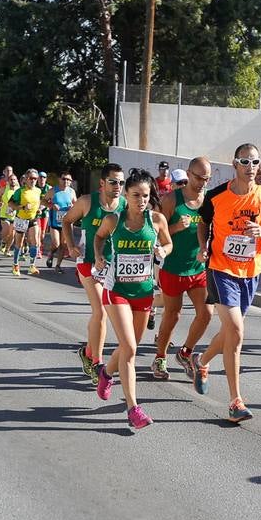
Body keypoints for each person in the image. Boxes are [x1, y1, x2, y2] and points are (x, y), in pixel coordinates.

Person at [193, 144, 261, 422]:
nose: (251, 166)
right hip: (221, 270)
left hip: (251, 273)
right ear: (235, 164)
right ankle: (235, 401)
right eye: (245, 161)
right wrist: (203, 247)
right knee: (237, 332)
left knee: (232, 332)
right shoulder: (217, 195)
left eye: (255, 162)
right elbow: (202, 223)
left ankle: (202, 361)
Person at [91, 171, 173, 431]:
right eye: (136, 195)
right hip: (116, 291)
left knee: (131, 346)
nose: (141, 200)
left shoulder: (157, 220)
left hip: (144, 292)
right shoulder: (114, 220)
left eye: (146, 196)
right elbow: (99, 237)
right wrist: (98, 256)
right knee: (129, 347)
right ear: (126, 195)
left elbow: (169, 243)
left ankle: (106, 373)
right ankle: (133, 409)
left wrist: (163, 250)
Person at [63, 164, 126, 385]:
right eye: (113, 182)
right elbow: (67, 221)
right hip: (88, 263)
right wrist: (71, 246)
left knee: (104, 314)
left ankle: (88, 351)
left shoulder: (125, 205)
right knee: (100, 311)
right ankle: (98, 363)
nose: (118, 186)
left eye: (121, 182)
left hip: (114, 266)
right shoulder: (87, 202)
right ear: (102, 183)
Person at [152, 156, 212, 381]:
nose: (201, 183)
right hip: (173, 268)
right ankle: (160, 357)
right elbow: (157, 231)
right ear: (188, 174)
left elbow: (211, 229)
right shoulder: (171, 200)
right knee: (173, 314)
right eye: (198, 177)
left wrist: (206, 247)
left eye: (206, 179)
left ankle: (185, 352)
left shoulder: (208, 201)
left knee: (206, 313)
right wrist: (176, 227)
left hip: (198, 267)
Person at [8, 169, 44, 275]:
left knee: (35, 242)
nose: (33, 180)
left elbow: (37, 203)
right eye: (31, 178)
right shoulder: (20, 191)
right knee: (19, 242)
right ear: (26, 179)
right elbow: (11, 204)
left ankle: (32, 266)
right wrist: (22, 207)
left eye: (35, 178)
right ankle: (15, 265)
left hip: (33, 218)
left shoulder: (38, 191)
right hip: (21, 219)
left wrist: (38, 209)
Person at [45, 172, 76, 269]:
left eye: (68, 179)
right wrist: (51, 205)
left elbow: (76, 204)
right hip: (55, 222)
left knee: (64, 244)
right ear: (59, 179)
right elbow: (43, 201)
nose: (66, 181)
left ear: (70, 182)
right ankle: (51, 253)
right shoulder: (53, 190)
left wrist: (73, 207)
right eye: (64, 179)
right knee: (56, 243)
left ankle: (58, 265)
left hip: (67, 222)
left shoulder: (71, 192)